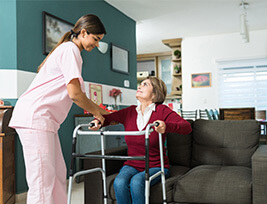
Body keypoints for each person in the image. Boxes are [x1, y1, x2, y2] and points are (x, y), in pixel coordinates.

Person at [9, 14, 109, 204]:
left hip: (46, 121)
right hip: (35, 117)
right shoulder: (70, 50)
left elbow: (76, 95)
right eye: (95, 39)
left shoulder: (72, 52)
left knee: (57, 176)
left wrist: (97, 112)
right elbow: (75, 94)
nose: (96, 45)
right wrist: (99, 111)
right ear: (84, 32)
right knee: (42, 181)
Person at [89, 76, 192, 204]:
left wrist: (166, 126)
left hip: (156, 166)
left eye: (145, 84)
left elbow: (186, 127)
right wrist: (97, 121)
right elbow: (108, 118)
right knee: (119, 182)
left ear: (155, 94)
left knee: (137, 182)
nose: (139, 86)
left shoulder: (162, 111)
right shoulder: (130, 112)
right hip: (132, 164)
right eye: (140, 84)